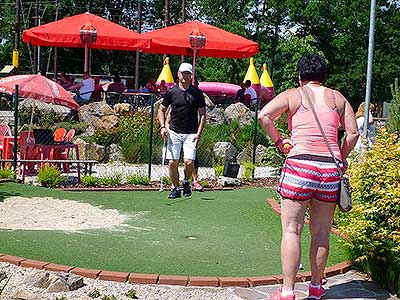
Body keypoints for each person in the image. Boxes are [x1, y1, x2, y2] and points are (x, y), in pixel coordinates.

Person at [258, 53, 358, 300]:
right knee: (321, 232)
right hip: (328, 169)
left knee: (292, 230)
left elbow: (264, 115)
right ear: (324, 76)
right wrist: (341, 156)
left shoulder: (294, 94)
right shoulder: (338, 98)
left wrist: (281, 143)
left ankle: (288, 292)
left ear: (299, 75)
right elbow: (353, 134)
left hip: (300, 166)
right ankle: (315, 289)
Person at [157, 62, 206, 199]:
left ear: (191, 76)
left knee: (189, 162)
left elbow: (203, 114)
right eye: (182, 73)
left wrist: (199, 133)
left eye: (187, 73)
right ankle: (175, 188)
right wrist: (163, 127)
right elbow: (161, 110)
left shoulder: (197, 93)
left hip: (191, 133)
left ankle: (186, 181)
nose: (185, 76)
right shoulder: (171, 92)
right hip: (174, 132)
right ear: (178, 75)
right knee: (173, 162)